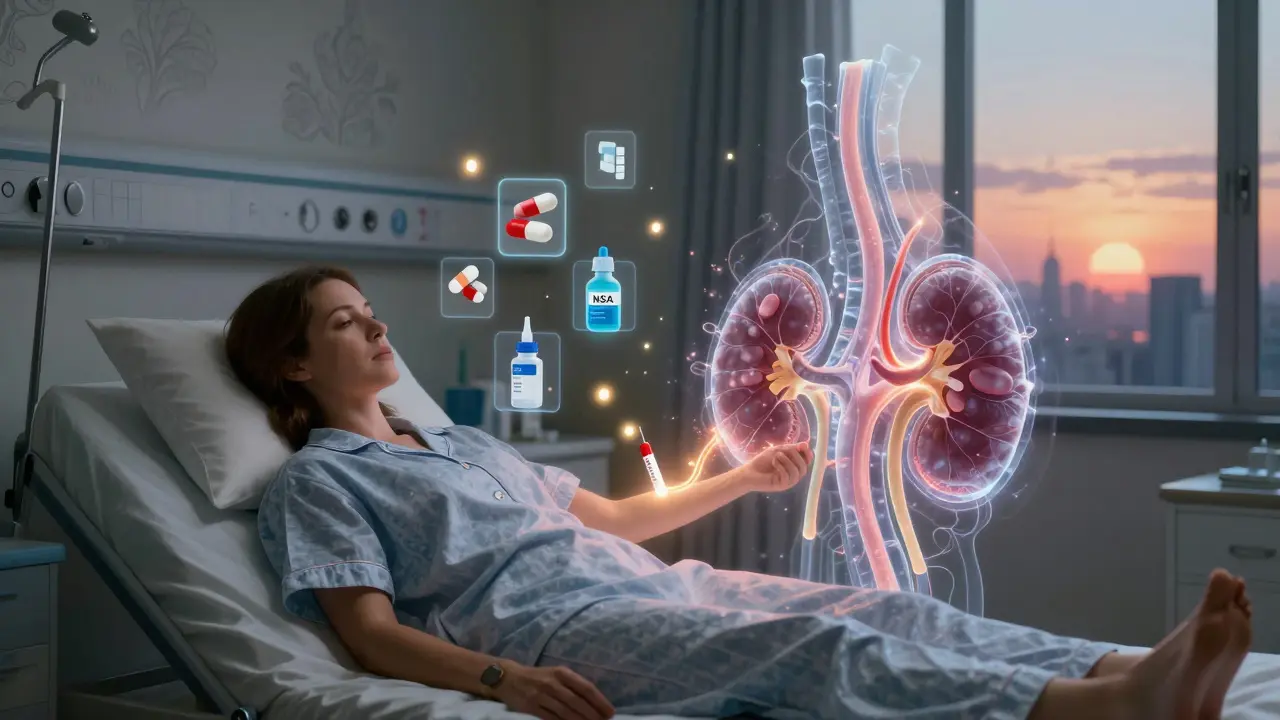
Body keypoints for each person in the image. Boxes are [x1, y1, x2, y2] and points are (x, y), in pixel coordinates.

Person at [227, 265, 1253, 720]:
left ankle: (1123, 664)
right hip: (549, 630)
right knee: (814, 651)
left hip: (648, 584)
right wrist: (500, 682)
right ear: (294, 368)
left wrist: (739, 477)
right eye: (345, 323)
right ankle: (1091, 710)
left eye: (370, 312)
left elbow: (617, 520)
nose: (378, 331)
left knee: (881, 606)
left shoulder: (459, 442)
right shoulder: (318, 483)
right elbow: (363, 633)